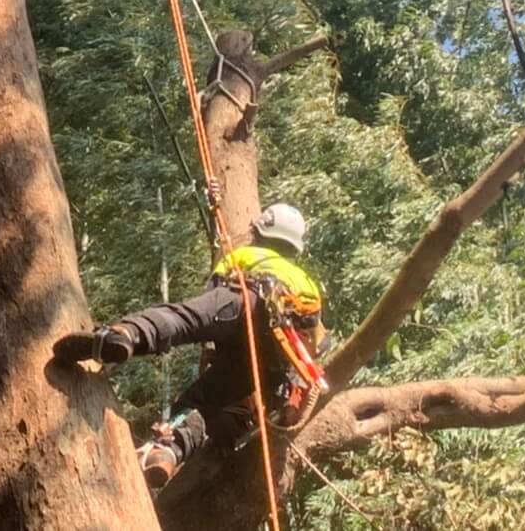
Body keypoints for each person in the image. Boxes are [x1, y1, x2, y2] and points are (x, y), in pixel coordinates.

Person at [53, 203, 327, 489]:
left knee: (181, 319)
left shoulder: (244, 255)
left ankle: (125, 336)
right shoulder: (308, 284)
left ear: (260, 231)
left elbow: (212, 298)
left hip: (242, 301)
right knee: (201, 405)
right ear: (295, 248)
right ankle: (168, 451)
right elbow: (315, 338)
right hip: (270, 355)